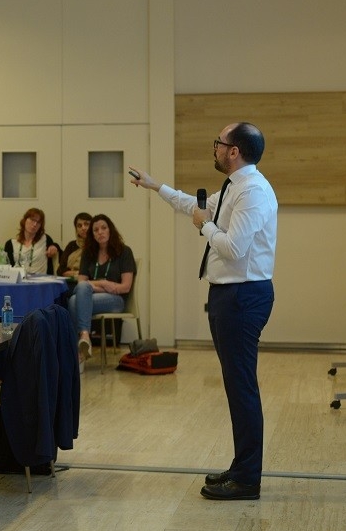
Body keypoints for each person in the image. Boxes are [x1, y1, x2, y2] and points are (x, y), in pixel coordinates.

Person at [131, 121, 276, 502]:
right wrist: (155, 186)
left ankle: (248, 479)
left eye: (219, 143)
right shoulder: (233, 186)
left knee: (242, 387)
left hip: (243, 297)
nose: (215, 148)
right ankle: (241, 468)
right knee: (236, 386)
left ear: (234, 151)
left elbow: (233, 248)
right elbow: (193, 206)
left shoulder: (253, 191)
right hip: (230, 296)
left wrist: (205, 226)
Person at [66, 214, 137, 362]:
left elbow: (125, 287)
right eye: (96, 230)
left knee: (74, 301)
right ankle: (84, 340)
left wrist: (98, 285)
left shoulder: (124, 251)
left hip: (116, 300)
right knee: (75, 298)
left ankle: (77, 351)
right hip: (92, 295)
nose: (100, 232)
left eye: (103, 228)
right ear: (92, 234)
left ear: (110, 230)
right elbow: (81, 283)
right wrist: (104, 284)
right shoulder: (88, 253)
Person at [3, 207, 61, 275]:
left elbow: (59, 251)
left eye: (38, 222)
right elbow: (7, 268)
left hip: (41, 279)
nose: (35, 224)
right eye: (32, 220)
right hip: (19, 279)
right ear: (24, 220)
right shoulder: (11, 244)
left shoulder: (45, 239)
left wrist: (55, 246)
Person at [57, 212, 92, 277]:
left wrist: (78, 274)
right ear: (76, 229)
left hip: (89, 282)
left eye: (86, 224)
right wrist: (77, 274)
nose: (83, 228)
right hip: (70, 280)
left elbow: (94, 272)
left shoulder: (97, 245)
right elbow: (60, 270)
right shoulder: (71, 245)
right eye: (79, 226)